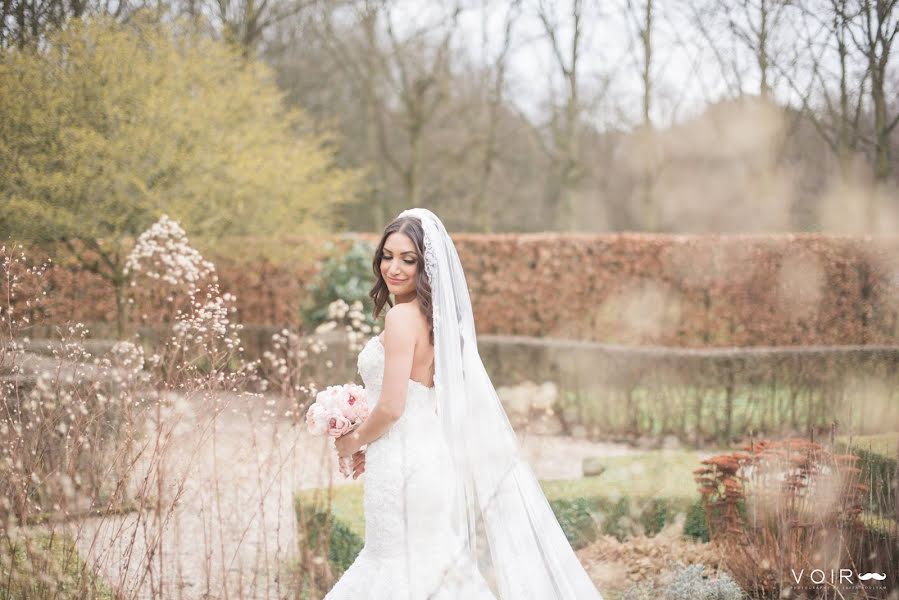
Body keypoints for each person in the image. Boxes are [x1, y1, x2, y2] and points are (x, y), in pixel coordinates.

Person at [327, 208, 604, 599]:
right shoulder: (435, 321)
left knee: (391, 567)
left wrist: (351, 441)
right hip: (429, 461)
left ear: (425, 266)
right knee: (433, 568)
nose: (394, 268)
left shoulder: (401, 319)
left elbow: (391, 408)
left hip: (401, 468)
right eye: (388, 256)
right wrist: (375, 441)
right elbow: (429, 406)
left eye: (409, 259)